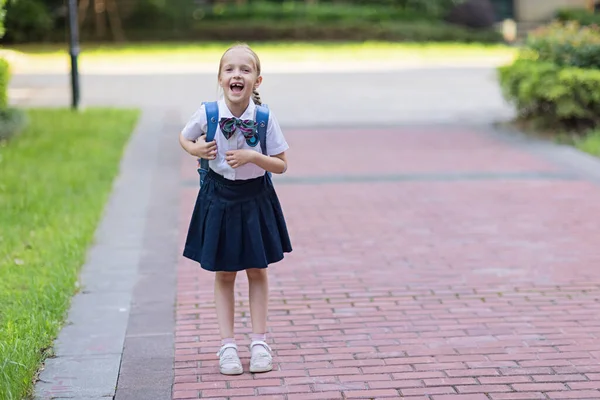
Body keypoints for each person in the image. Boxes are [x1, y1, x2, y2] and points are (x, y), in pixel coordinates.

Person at [178, 43, 292, 375]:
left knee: (258, 269)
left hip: (255, 198)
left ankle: (259, 342)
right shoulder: (208, 114)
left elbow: (282, 165)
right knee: (224, 272)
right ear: (220, 78)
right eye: (230, 69)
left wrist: (254, 157)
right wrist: (195, 148)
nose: (237, 74)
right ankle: (227, 345)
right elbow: (184, 138)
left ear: (257, 81)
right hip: (219, 198)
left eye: (245, 69)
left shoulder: (265, 118)